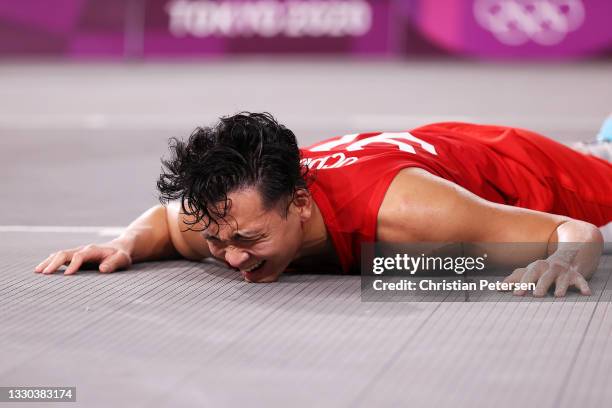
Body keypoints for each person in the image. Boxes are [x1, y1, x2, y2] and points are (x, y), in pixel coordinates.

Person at [34, 112, 611, 297]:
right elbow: (165, 218)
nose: (230, 259)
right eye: (217, 243)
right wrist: (122, 244)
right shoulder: (228, 217)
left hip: (511, 165)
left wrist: (561, 260)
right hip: (414, 148)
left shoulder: (406, 216)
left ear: (302, 205)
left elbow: (576, 229)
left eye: (248, 242)